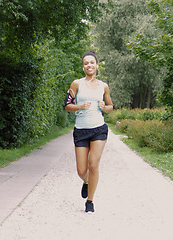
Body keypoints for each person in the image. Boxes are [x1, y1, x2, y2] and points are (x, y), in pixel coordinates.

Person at [64, 50, 113, 213]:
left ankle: (90, 201)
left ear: (97, 65)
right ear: (83, 67)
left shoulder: (103, 86)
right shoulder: (76, 84)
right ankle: (86, 181)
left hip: (98, 129)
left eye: (92, 62)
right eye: (86, 63)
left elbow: (110, 107)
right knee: (81, 170)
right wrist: (79, 106)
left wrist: (104, 108)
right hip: (81, 130)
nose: (89, 65)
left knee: (93, 165)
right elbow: (67, 106)